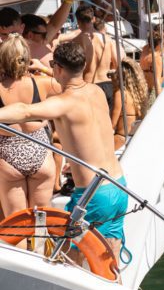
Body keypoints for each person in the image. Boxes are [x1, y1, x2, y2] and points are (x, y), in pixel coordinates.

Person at [0, 41, 127, 260]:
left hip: (92, 195)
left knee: (71, 261)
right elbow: (73, 81)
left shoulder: (63, 102)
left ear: (59, 68)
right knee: (110, 257)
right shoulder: (96, 91)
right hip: (118, 186)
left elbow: (24, 111)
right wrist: (48, 70)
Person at [0, 35, 55, 215]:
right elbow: (74, 84)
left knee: (17, 227)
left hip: (7, 156)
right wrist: (44, 69)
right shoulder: (42, 83)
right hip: (39, 152)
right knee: (40, 223)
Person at [111, 57, 148, 150]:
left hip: (120, 140)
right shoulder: (141, 95)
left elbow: (112, 124)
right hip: (135, 141)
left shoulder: (121, 94)